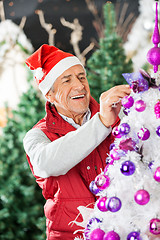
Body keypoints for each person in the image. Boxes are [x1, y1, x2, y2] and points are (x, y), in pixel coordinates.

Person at [23, 44, 131, 240]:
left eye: (82, 77)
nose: (80, 85)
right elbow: (47, 163)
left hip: (122, 232)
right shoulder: (37, 135)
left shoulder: (119, 115)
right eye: (67, 80)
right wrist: (101, 122)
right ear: (49, 94)